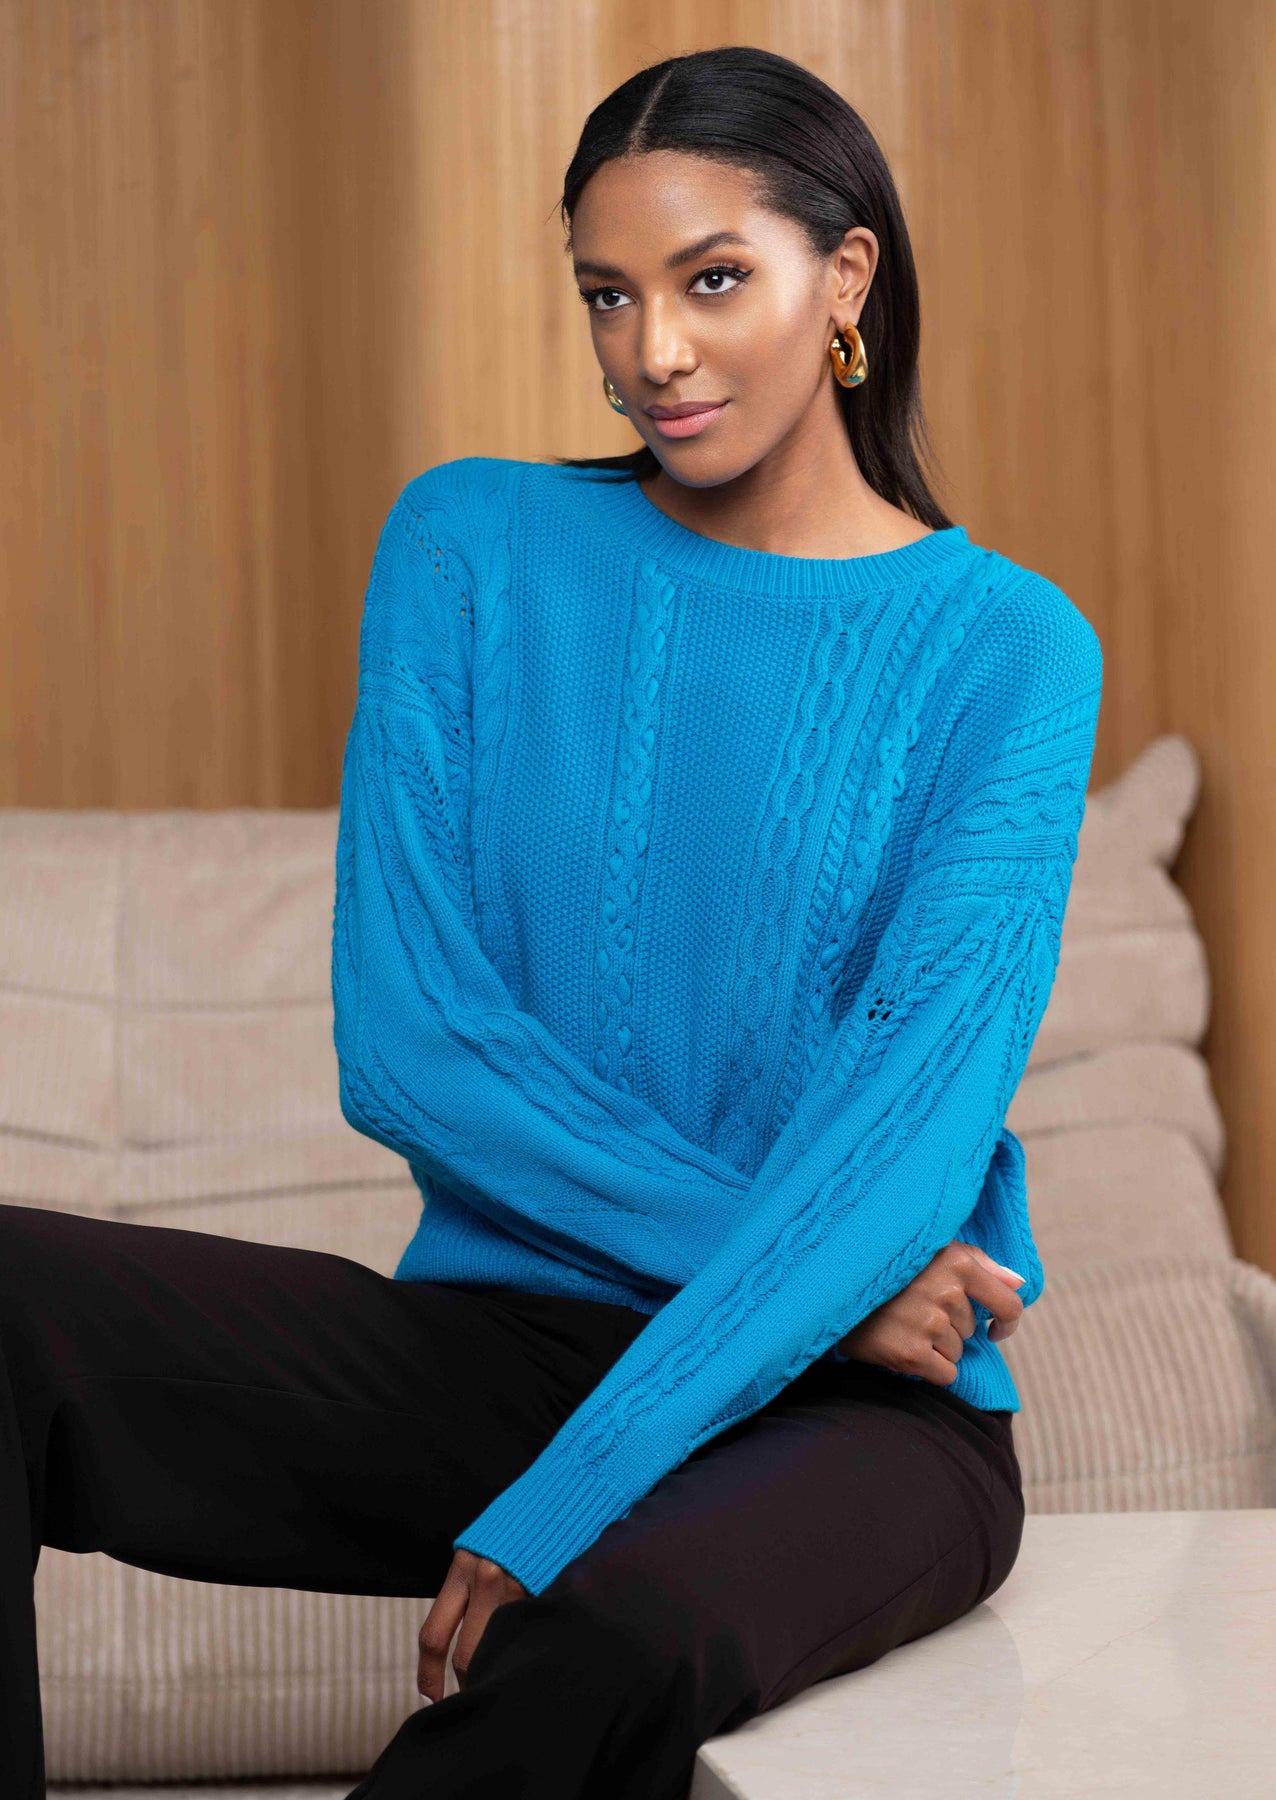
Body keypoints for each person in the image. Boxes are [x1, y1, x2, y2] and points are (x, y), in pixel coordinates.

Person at [0, 44, 1102, 1800]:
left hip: (859, 1417)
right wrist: (834, 1286)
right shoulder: (471, 546)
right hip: (538, 1343)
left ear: (846, 279)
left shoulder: (1005, 650)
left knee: (623, 1623)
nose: (650, 351)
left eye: (711, 280)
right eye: (607, 293)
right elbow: (412, 1052)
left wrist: (567, 1502)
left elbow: (903, 1144)